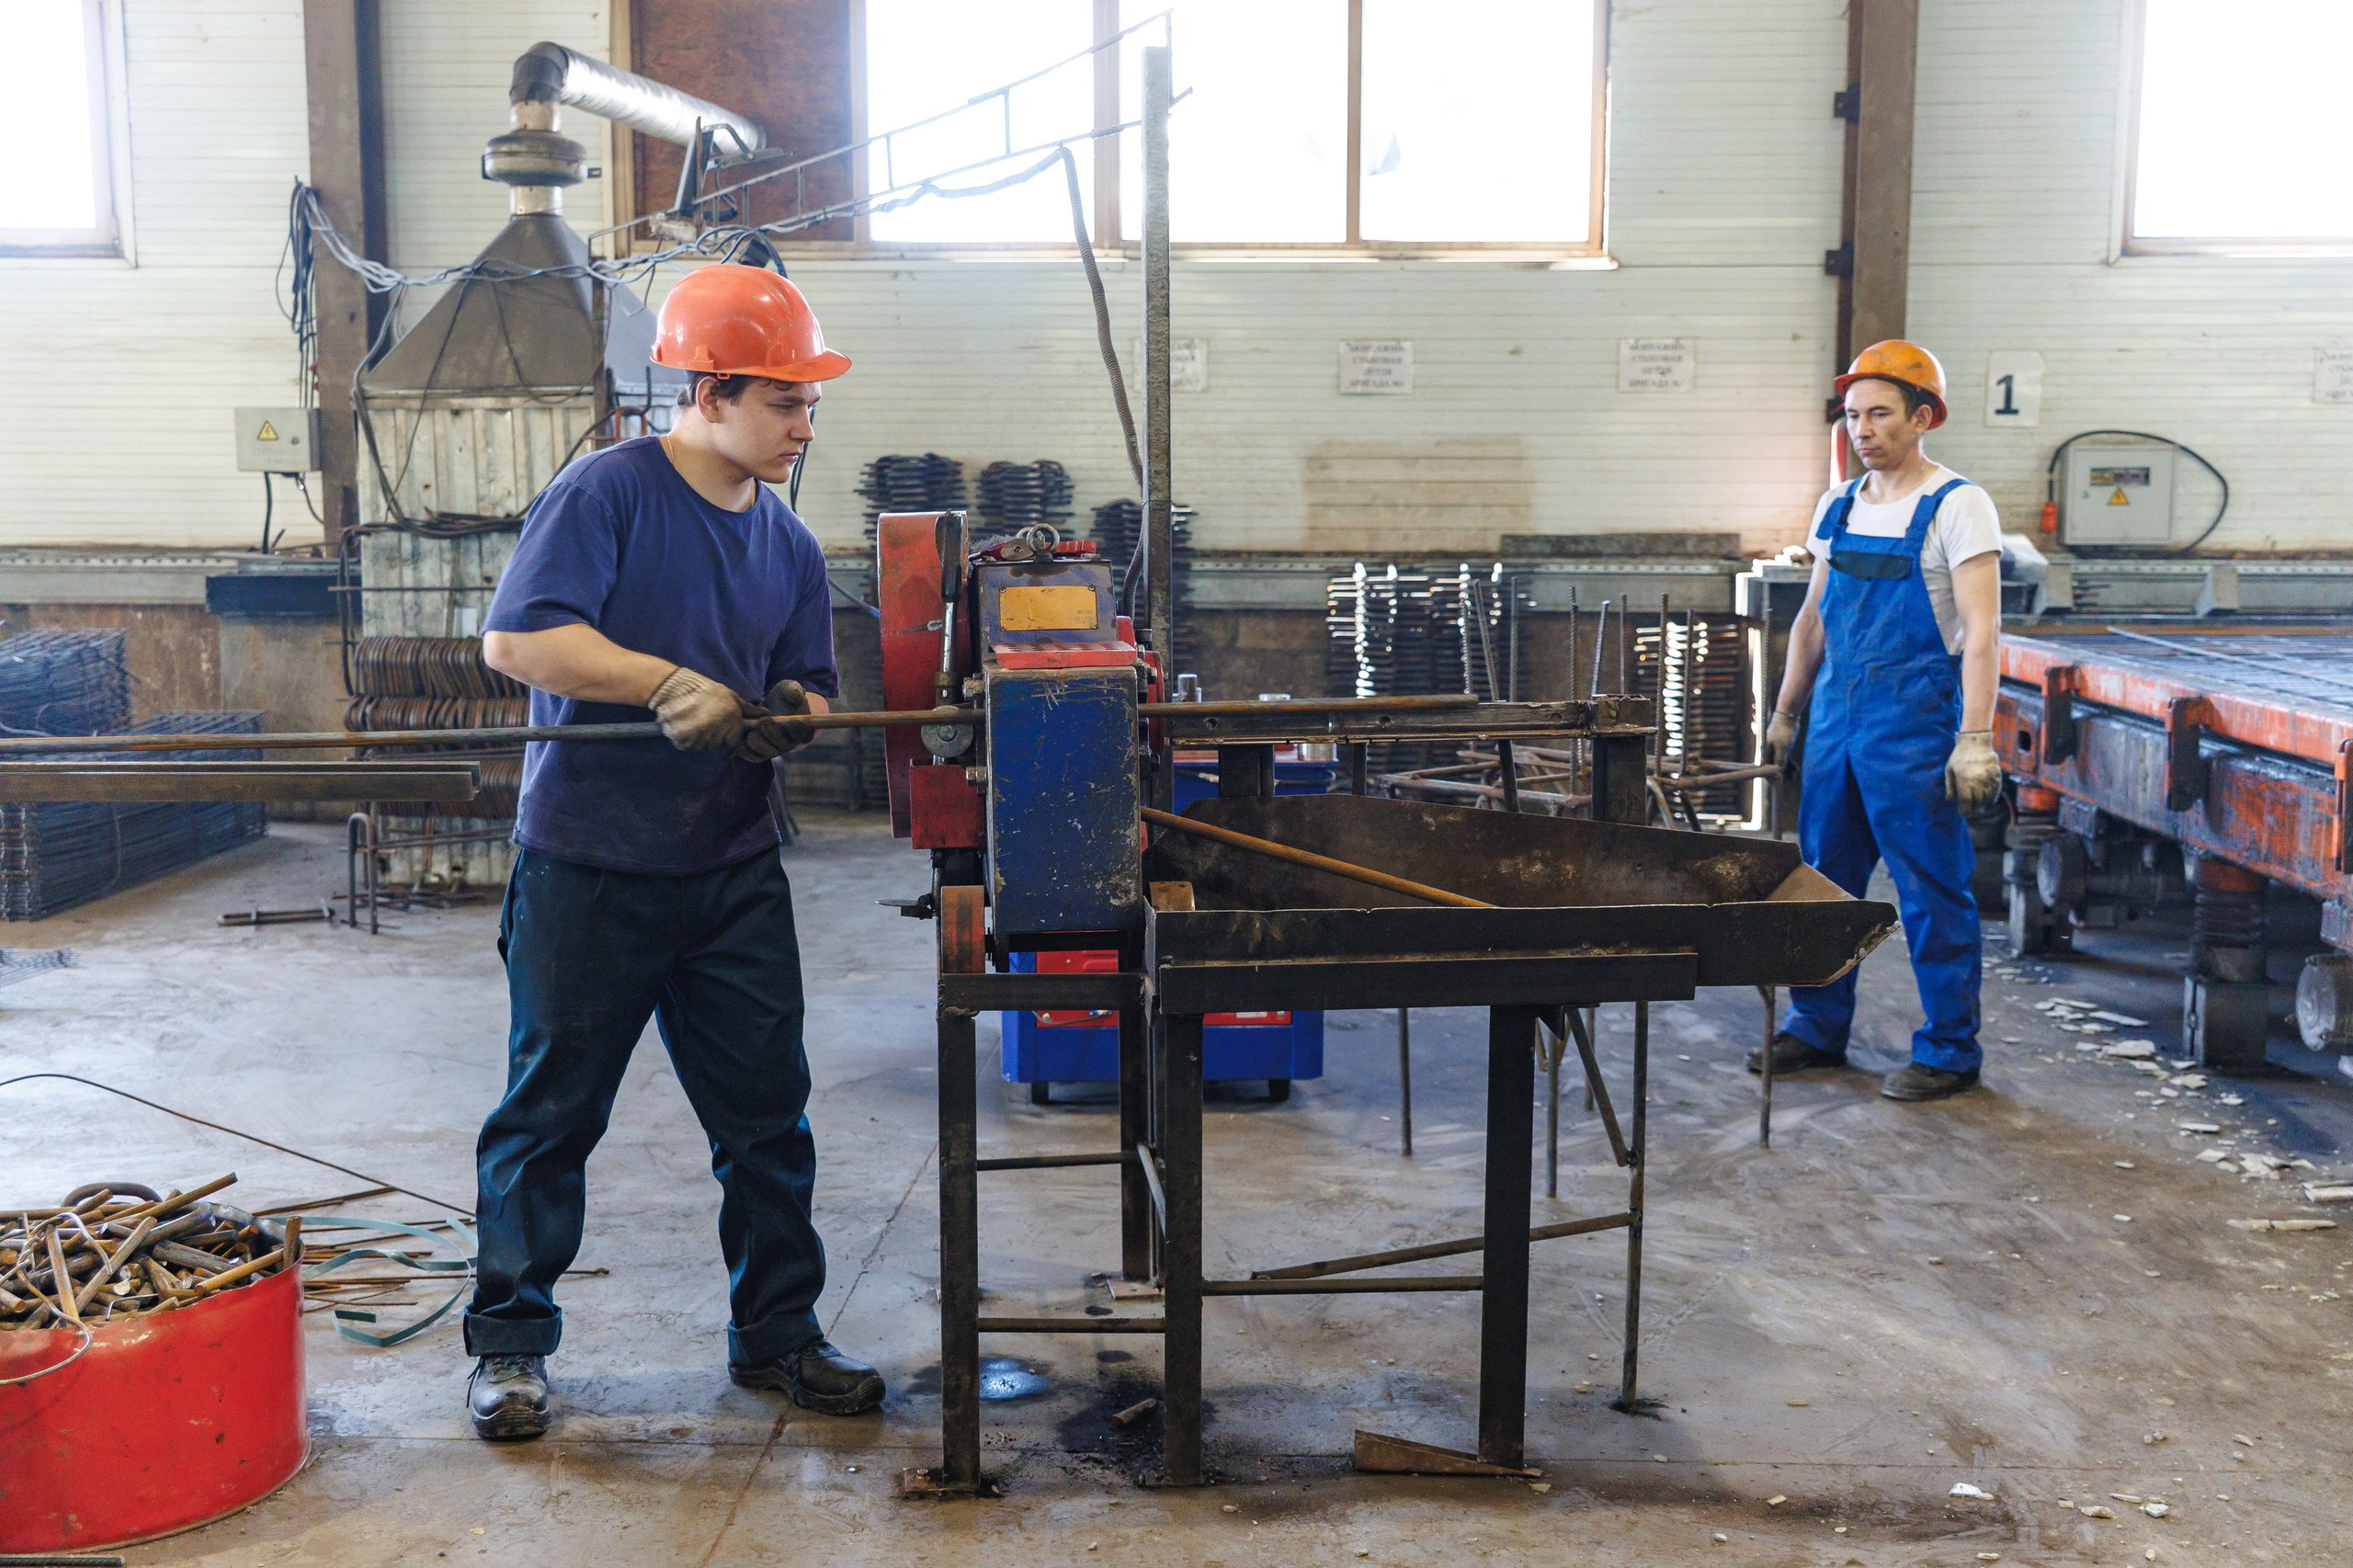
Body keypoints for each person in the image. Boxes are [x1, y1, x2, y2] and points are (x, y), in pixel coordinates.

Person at [460, 264, 884, 1440]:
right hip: (589, 865)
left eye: (810, 405)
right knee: (549, 1117)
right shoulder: (609, 492)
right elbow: (518, 640)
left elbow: (812, 680)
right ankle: (509, 1343)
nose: (804, 428)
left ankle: (778, 1332)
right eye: (784, 402)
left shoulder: (788, 543)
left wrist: (792, 713)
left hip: (731, 869)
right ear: (709, 392)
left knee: (767, 1120)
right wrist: (661, 683)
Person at [1758, 340, 2005, 1102]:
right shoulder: (1838, 504)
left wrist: (1975, 738)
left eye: (1880, 414)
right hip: (1836, 721)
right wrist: (1786, 712)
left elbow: (1983, 633)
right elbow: (1812, 620)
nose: (1861, 429)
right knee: (1823, 883)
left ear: (1922, 417)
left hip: (1913, 727)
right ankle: (1815, 1026)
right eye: (1853, 415)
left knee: (1931, 891)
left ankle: (1950, 1051)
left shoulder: (1957, 505)